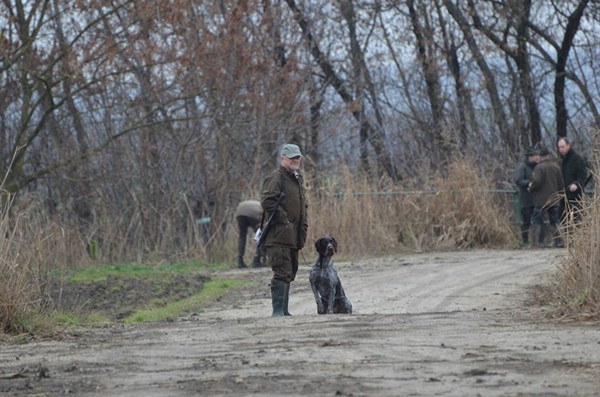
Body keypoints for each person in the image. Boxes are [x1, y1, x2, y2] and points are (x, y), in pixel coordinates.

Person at [260, 144, 308, 317]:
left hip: (293, 236)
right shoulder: (276, 177)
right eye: (291, 157)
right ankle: (278, 311)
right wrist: (284, 220)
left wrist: (302, 227)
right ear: (282, 158)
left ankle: (284, 310)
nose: (295, 160)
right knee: (281, 270)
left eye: (297, 157)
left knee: (290, 271)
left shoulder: (296, 177)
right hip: (279, 236)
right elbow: (267, 201)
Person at [528, 147, 564, 248]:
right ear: (549, 155)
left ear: (540, 156)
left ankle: (538, 242)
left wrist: (531, 188)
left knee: (537, 220)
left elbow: (537, 182)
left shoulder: (539, 167)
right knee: (555, 220)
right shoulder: (556, 167)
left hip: (541, 200)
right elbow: (561, 183)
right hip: (554, 198)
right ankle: (560, 241)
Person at [557, 137, 589, 223]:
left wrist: (577, 184)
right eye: (559, 147)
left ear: (568, 145)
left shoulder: (577, 159)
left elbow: (582, 175)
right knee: (562, 220)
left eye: (563, 146)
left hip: (575, 197)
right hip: (565, 196)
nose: (561, 149)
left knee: (575, 221)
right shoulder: (563, 160)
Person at [513, 147, 537, 247]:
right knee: (526, 221)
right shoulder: (522, 167)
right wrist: (529, 183)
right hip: (526, 198)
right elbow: (518, 180)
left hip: (536, 198)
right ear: (529, 157)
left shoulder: (538, 167)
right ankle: (525, 241)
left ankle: (536, 241)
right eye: (534, 156)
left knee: (537, 220)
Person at [234, 200, 265, 269]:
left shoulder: (258, 205)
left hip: (240, 212)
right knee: (261, 235)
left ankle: (240, 261)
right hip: (254, 214)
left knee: (242, 236)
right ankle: (257, 260)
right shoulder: (263, 208)